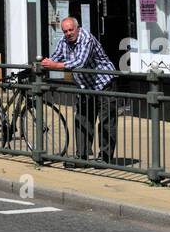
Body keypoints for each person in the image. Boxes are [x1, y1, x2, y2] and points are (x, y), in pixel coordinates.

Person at [40, 16, 117, 164]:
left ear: (78, 28)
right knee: (82, 120)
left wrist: (55, 66)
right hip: (85, 86)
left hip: (104, 83)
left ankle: (105, 158)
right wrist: (44, 63)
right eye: (65, 31)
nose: (68, 33)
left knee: (106, 122)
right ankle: (81, 156)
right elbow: (55, 57)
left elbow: (79, 62)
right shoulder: (64, 41)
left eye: (71, 30)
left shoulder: (86, 38)